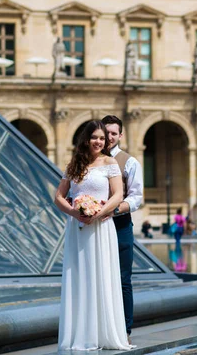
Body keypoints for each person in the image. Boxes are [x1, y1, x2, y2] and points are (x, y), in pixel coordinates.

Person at [54, 120, 132, 351]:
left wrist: (98, 213)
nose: (99, 141)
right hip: (78, 228)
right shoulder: (74, 165)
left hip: (101, 227)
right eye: (94, 137)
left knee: (102, 276)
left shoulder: (110, 163)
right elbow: (58, 197)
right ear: (85, 139)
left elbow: (118, 195)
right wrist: (74, 212)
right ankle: (81, 334)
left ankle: (103, 334)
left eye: (102, 138)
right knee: (79, 276)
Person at [102, 115, 144, 343]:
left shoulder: (129, 162)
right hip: (96, 226)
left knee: (123, 278)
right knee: (100, 277)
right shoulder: (92, 161)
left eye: (113, 133)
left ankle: (125, 330)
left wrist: (112, 210)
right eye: (105, 132)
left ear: (120, 135)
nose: (109, 137)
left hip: (120, 225)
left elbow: (137, 198)